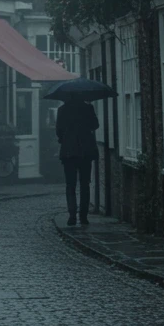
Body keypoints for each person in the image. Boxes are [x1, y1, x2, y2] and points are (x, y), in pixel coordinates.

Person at [55, 93, 99, 226]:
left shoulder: (62, 110)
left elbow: (58, 131)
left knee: (70, 185)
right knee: (85, 184)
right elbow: (95, 125)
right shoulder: (88, 108)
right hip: (86, 151)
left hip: (69, 152)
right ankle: (84, 217)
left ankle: (72, 216)